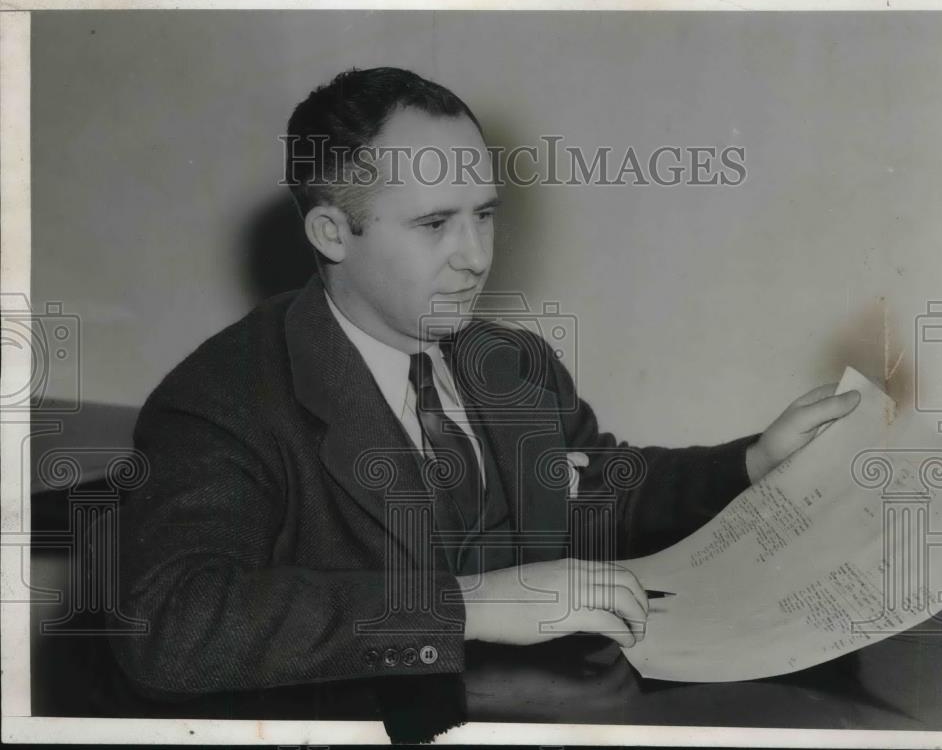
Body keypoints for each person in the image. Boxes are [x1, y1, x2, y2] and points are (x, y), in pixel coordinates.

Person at [109, 67, 860, 733]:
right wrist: (468, 604)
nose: (475, 257)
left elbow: (598, 490)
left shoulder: (508, 362)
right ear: (333, 232)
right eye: (435, 224)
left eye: (485, 215)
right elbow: (171, 626)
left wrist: (753, 461)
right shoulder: (220, 401)